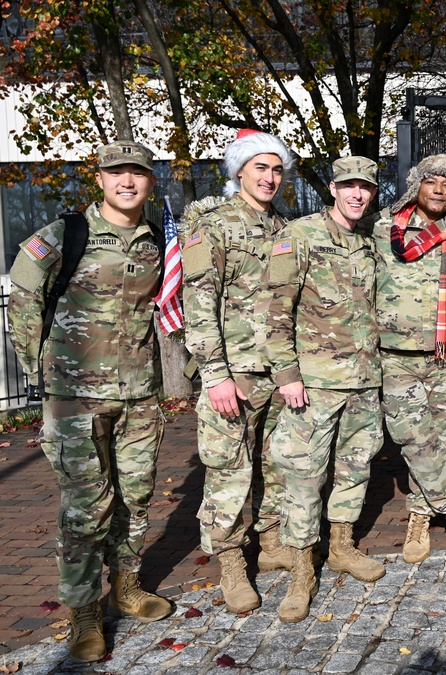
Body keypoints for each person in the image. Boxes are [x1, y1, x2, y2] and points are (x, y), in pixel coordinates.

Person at [8, 141, 171, 661]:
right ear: (98, 179)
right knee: (84, 509)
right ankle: (83, 612)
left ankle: (126, 586)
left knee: (136, 496)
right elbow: (25, 296)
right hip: (75, 398)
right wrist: (42, 371)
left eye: (138, 174)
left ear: (150, 181)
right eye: (116, 173)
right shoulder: (65, 234)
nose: (128, 182)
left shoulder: (159, 240)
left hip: (140, 394)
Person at [264, 156, 383, 622]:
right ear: (332, 188)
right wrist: (287, 375)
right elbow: (274, 310)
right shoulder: (300, 235)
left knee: (355, 467)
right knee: (303, 477)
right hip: (313, 383)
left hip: (363, 379)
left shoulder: (370, 240)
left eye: (366, 188)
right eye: (349, 186)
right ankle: (300, 572)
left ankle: (341, 547)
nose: (357, 194)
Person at [182, 129, 295, 613]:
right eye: (260, 168)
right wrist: (215, 376)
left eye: (276, 169)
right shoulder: (216, 225)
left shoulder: (281, 227)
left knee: (274, 464)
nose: (269, 178)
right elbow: (199, 302)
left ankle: (269, 542)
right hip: (233, 373)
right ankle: (230, 560)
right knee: (229, 469)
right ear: (239, 172)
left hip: (275, 370)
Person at [372, 154, 446, 564]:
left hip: (443, 355)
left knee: (441, 438)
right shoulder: (385, 228)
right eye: (432, 182)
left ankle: (420, 509)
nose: (439, 190)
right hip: (395, 355)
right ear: (416, 185)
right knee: (412, 437)